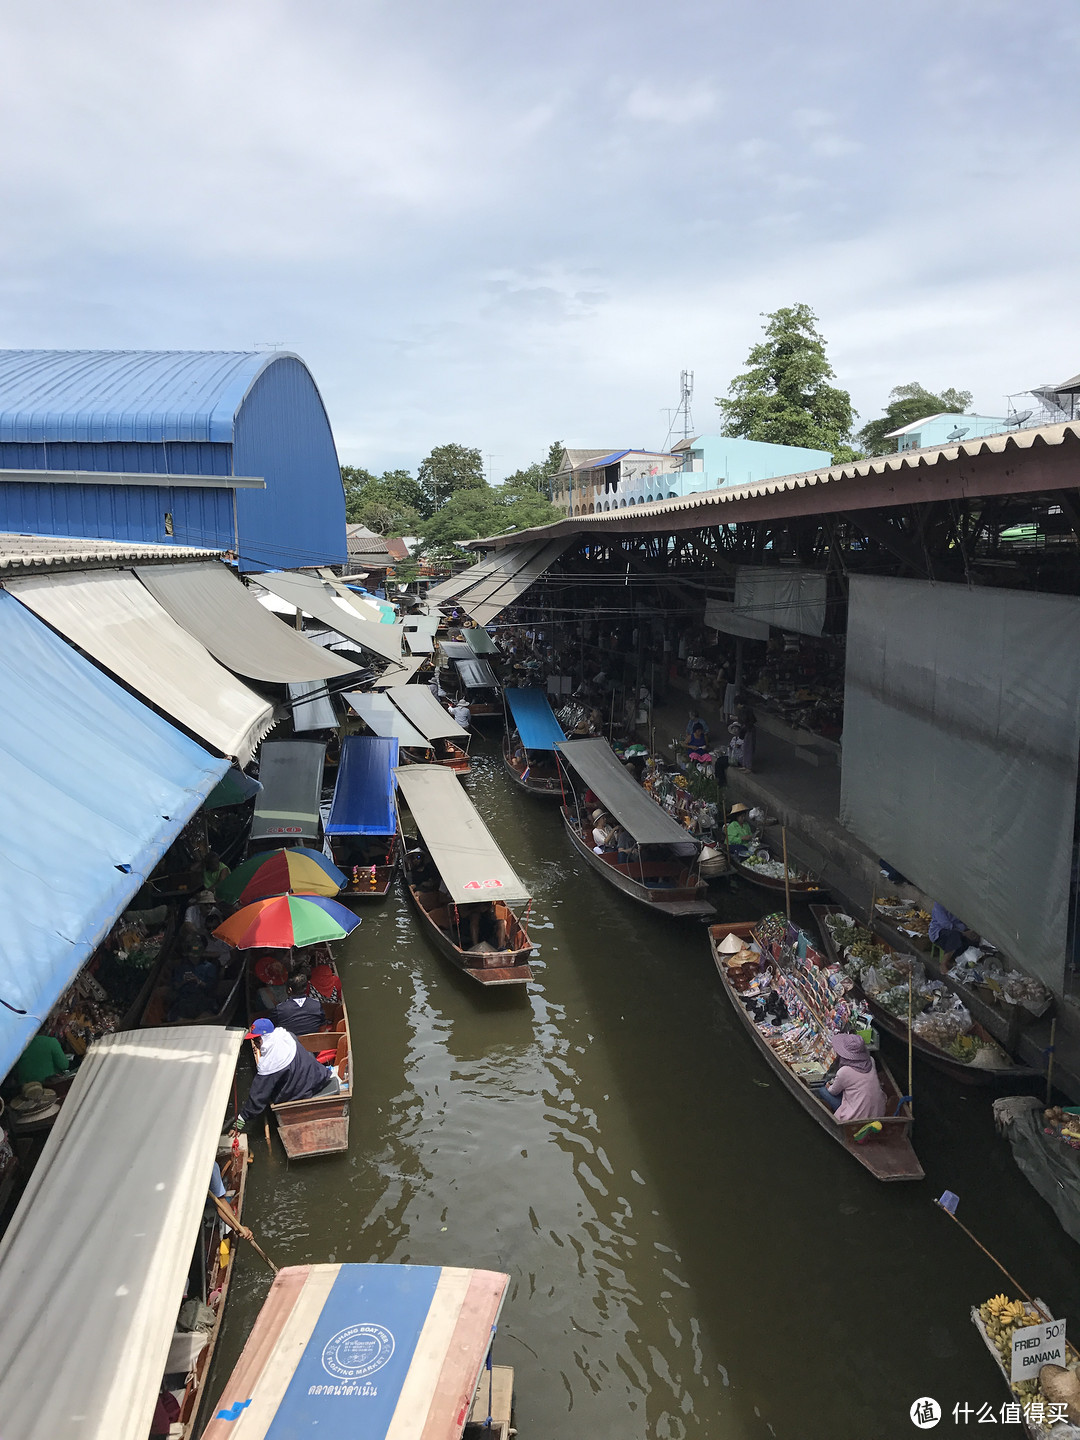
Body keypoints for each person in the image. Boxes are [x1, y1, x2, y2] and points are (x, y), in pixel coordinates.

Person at [231, 1019, 338, 1131]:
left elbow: (258, 1097)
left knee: (271, 1093)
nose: (255, 1044)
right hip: (318, 1078)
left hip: (299, 1095)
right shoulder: (288, 1036)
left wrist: (241, 1119)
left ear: (265, 1037)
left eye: (257, 1040)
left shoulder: (270, 1064)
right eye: (253, 1040)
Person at [817, 1033, 886, 1121]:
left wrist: (828, 1086)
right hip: (878, 1111)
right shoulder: (871, 1061)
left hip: (856, 1116)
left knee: (822, 1089)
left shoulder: (844, 1071)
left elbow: (833, 1092)